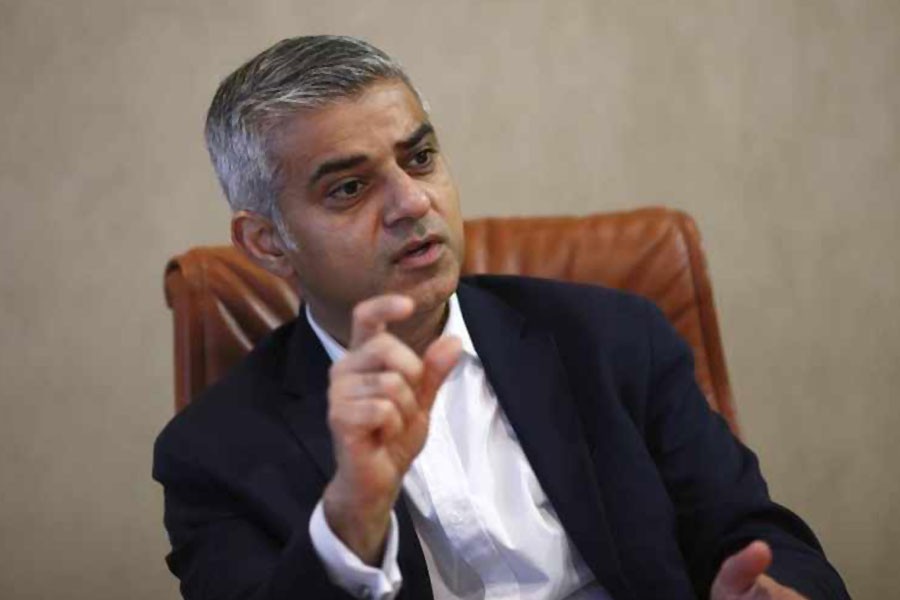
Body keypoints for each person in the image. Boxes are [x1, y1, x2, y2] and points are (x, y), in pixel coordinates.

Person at [153, 35, 850, 600]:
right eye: (349, 187)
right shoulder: (213, 453)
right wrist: (350, 519)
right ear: (269, 243)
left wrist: (779, 592)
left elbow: (756, 534)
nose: (411, 203)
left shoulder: (611, 341)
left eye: (419, 157)